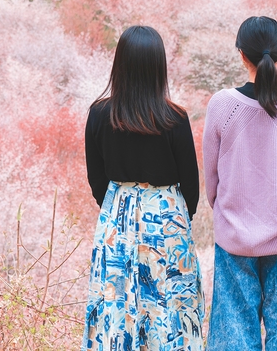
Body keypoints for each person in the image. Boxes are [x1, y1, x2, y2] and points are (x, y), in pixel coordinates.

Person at [203, 16, 277, 350]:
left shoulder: (222, 105)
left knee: (233, 339)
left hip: (234, 241)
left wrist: (230, 215)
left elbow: (211, 180)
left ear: (241, 54)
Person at [83, 25, 204, 351]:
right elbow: (191, 185)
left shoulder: (98, 114)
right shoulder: (175, 118)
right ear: (158, 67)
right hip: (166, 219)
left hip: (117, 220)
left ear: (119, 64)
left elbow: (97, 180)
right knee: (170, 308)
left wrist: (119, 207)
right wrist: (177, 215)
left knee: (117, 308)